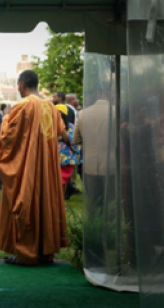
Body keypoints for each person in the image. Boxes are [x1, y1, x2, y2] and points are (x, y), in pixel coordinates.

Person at [0, 70, 69, 265]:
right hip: (47, 167)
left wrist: (5, 119)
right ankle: (45, 251)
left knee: (26, 200)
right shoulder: (51, 106)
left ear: (22, 84)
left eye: (18, 85)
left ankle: (26, 252)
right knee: (45, 203)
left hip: (28, 163)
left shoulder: (24, 105)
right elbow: (62, 132)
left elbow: (9, 137)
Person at [73, 83, 115, 267]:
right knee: (110, 203)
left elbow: (76, 140)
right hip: (111, 163)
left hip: (89, 163)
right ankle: (110, 237)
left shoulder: (83, 114)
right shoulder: (116, 112)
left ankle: (93, 239)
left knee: (92, 203)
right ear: (108, 92)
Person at [56, 104, 77, 194]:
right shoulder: (50, 126)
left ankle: (60, 202)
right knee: (60, 182)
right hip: (60, 159)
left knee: (62, 182)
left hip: (64, 159)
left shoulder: (71, 127)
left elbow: (73, 143)